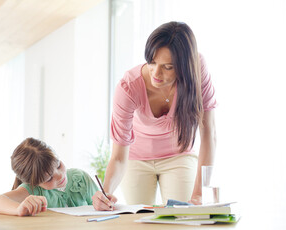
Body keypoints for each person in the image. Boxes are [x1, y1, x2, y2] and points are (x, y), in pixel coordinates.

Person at [92, 21, 217, 211]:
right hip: (136, 158)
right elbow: (118, 157)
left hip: (178, 154)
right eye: (152, 61)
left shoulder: (197, 70)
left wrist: (198, 193)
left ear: (184, 67)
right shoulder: (128, 87)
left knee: (182, 218)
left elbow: (209, 132)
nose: (156, 74)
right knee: (139, 222)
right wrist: (105, 193)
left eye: (168, 67)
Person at [0, 137, 98, 216]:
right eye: (49, 178)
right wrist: (18, 209)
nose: (59, 176)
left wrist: (103, 203)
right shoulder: (33, 190)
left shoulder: (80, 178)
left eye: (59, 165)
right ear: (34, 183)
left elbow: (99, 207)